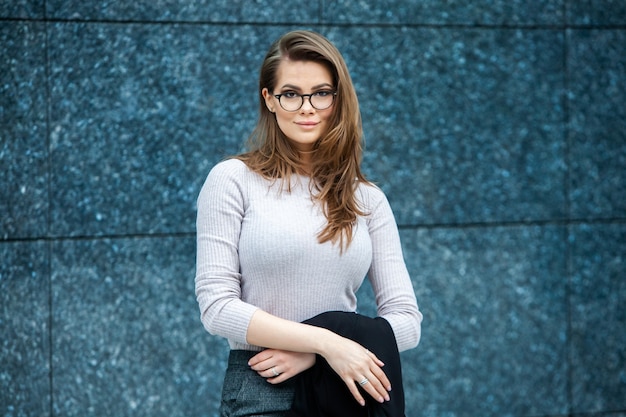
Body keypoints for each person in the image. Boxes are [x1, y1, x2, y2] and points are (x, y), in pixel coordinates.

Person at [195, 29, 422, 417]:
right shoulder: (232, 180)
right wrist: (325, 343)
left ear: (338, 98)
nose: (307, 107)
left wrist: (316, 353)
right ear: (269, 99)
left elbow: (407, 322)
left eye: (321, 92)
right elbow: (217, 308)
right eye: (290, 94)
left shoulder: (366, 198)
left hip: (345, 386)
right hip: (262, 389)